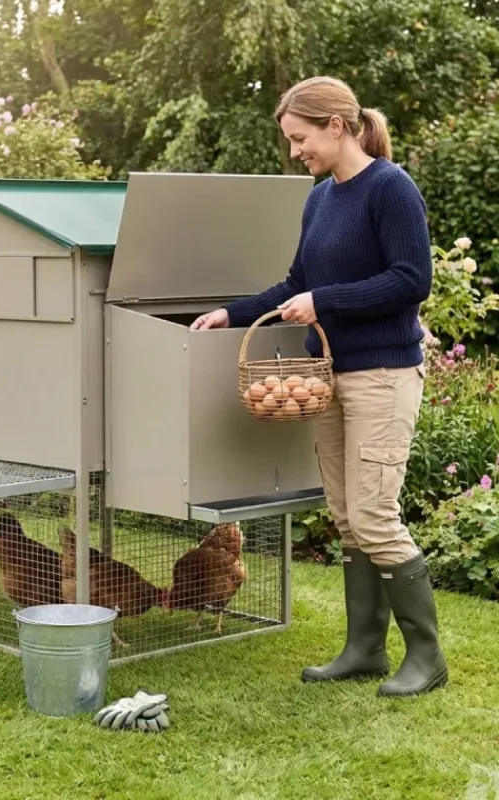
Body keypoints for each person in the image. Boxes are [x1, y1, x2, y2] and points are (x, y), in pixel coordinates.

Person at [190, 76, 448, 698]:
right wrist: (232, 312)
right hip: (332, 377)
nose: (294, 151)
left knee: (375, 514)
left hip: (383, 374)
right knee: (347, 516)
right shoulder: (320, 199)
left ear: (336, 126)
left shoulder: (391, 188)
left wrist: (325, 300)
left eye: (300, 137)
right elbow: (294, 285)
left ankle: (427, 658)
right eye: (290, 140)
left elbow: (412, 280)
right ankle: (364, 649)